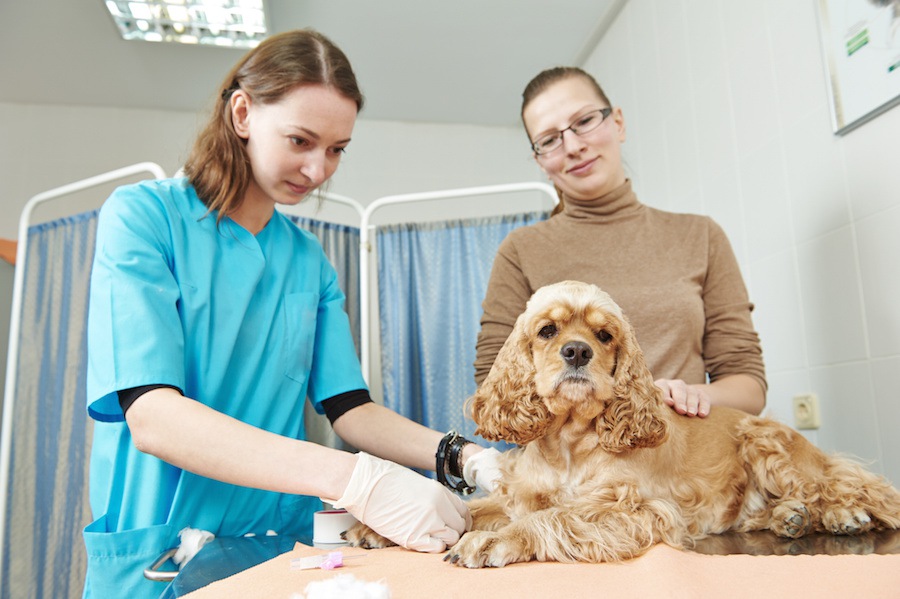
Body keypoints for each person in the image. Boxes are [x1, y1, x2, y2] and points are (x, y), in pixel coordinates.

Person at [83, 29, 498, 599]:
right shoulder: (145, 218)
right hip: (162, 548)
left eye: (336, 149)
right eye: (301, 140)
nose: (319, 168)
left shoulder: (308, 261)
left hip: (274, 543)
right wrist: (355, 478)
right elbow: (152, 415)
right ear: (243, 112)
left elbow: (350, 409)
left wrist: (463, 455)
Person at [474, 66, 766, 418]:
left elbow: (748, 386)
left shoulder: (700, 236)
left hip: (678, 455)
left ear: (618, 123)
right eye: (549, 140)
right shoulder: (520, 250)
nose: (573, 146)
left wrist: (688, 394)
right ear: (539, 160)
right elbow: (494, 384)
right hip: (570, 468)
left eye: (584, 121)